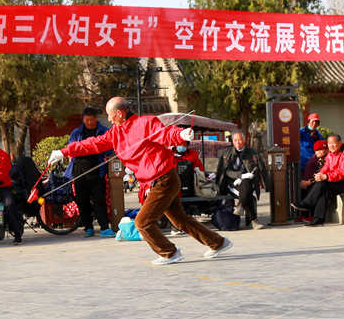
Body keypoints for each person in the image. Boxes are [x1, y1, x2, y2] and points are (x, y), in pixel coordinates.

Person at [48, 97, 232, 265]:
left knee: (142, 222)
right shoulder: (115, 133)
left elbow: (164, 133)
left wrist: (181, 135)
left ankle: (169, 253)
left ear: (119, 113)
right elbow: (92, 144)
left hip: (163, 177)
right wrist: (64, 152)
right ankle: (218, 243)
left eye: (110, 115)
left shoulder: (145, 123)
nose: (109, 120)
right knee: (180, 220)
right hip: (155, 180)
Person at [292, 134, 344, 227]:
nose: (331, 145)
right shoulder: (330, 155)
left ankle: (307, 203)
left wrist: (327, 177)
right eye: (329, 143)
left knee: (324, 183)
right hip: (335, 180)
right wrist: (320, 175)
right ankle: (318, 218)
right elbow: (326, 168)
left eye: (333, 143)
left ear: (340, 143)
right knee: (324, 189)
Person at [65, 107, 113, 238]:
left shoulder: (104, 131)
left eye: (92, 119)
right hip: (79, 171)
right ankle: (88, 228)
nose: (89, 122)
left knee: (99, 200)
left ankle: (104, 228)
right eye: (87, 119)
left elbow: (109, 149)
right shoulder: (76, 133)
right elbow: (72, 149)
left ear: (96, 118)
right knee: (82, 201)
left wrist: (96, 148)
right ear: (83, 119)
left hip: (97, 170)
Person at [215, 130, 270, 230]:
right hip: (232, 183)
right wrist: (239, 176)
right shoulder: (227, 153)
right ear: (232, 141)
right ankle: (253, 220)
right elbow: (225, 171)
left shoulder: (253, 153)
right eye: (235, 140)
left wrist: (268, 186)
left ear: (245, 140)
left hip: (249, 181)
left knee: (246, 184)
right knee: (246, 193)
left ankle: (241, 206)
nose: (238, 142)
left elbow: (262, 169)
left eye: (240, 140)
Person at [295, 140, 329, 223]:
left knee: (316, 188)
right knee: (303, 189)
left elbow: (321, 174)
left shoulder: (328, 159)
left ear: (326, 150)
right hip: (314, 180)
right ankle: (304, 215)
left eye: (320, 149)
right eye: (316, 150)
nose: (318, 152)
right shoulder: (318, 159)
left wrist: (308, 182)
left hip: (326, 181)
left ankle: (312, 215)